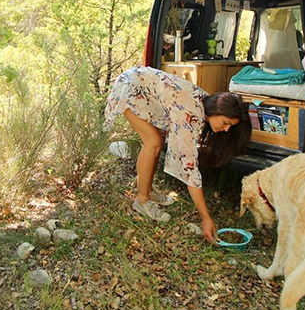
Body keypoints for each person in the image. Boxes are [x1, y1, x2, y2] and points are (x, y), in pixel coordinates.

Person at [103, 66, 252, 242]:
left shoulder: (204, 103)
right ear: (218, 110)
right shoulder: (191, 112)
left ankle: (148, 192)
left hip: (138, 82)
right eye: (226, 122)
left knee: (156, 141)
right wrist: (206, 218)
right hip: (130, 87)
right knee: (153, 142)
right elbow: (190, 170)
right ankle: (142, 201)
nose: (226, 129)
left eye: (230, 127)